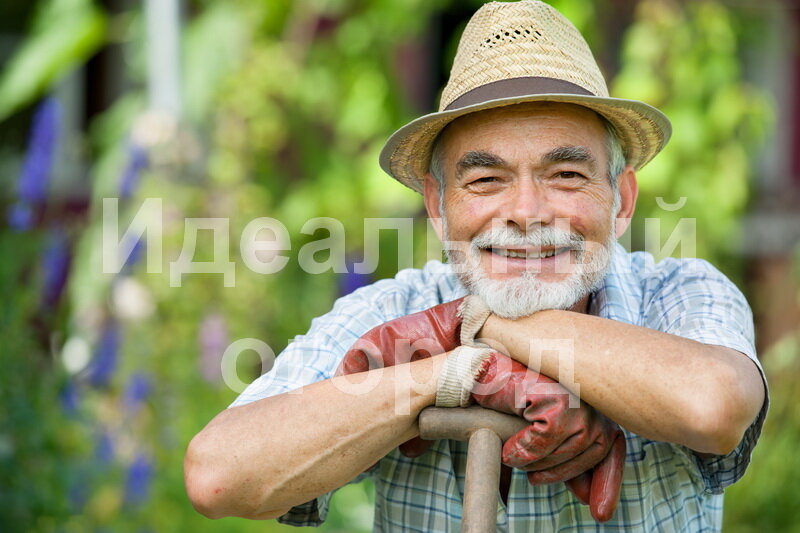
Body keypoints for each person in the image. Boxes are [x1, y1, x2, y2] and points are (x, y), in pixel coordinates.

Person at [184, 1, 768, 530]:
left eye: (565, 175)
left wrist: (476, 322)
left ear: (622, 201)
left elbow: (712, 405)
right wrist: (451, 374)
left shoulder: (679, 291)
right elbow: (220, 474)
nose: (525, 212)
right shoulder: (391, 306)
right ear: (438, 209)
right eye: (486, 180)